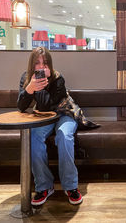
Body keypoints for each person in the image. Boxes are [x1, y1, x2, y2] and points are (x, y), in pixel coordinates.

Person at [17, 47, 83, 206]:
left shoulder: (58, 79)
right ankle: (44, 186)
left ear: (50, 65)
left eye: (45, 63)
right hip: (43, 117)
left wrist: (43, 86)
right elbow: (20, 106)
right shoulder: (26, 79)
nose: (41, 67)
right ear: (31, 65)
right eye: (37, 63)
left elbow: (49, 104)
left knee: (64, 136)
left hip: (64, 114)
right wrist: (30, 89)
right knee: (33, 137)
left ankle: (70, 186)